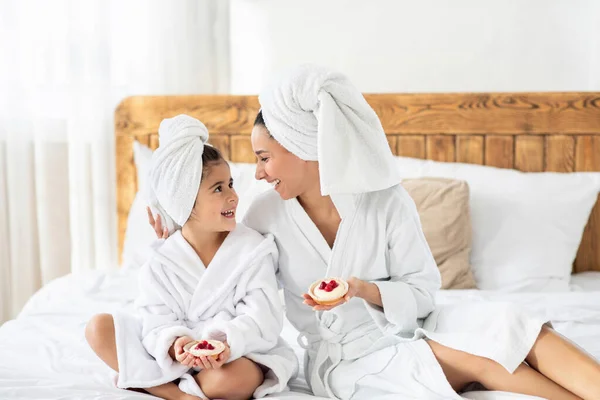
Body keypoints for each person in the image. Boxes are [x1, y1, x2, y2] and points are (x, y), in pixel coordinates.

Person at [153, 65, 600, 399]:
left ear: (306, 149)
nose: (260, 172)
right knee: (479, 357)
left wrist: (364, 289)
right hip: (347, 359)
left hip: (418, 323)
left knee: (515, 326)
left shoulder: (384, 199)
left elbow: (424, 293)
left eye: (266, 157)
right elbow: (223, 275)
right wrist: (175, 227)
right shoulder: (263, 216)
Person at [85, 115, 297, 400]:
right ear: (185, 200)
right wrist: (175, 344)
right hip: (175, 360)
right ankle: (181, 395)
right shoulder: (162, 262)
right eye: (218, 188)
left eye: (231, 183)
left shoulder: (252, 250)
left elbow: (264, 319)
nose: (233, 196)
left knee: (233, 379)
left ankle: (154, 385)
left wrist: (223, 342)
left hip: (234, 356)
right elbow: (154, 321)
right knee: (98, 328)